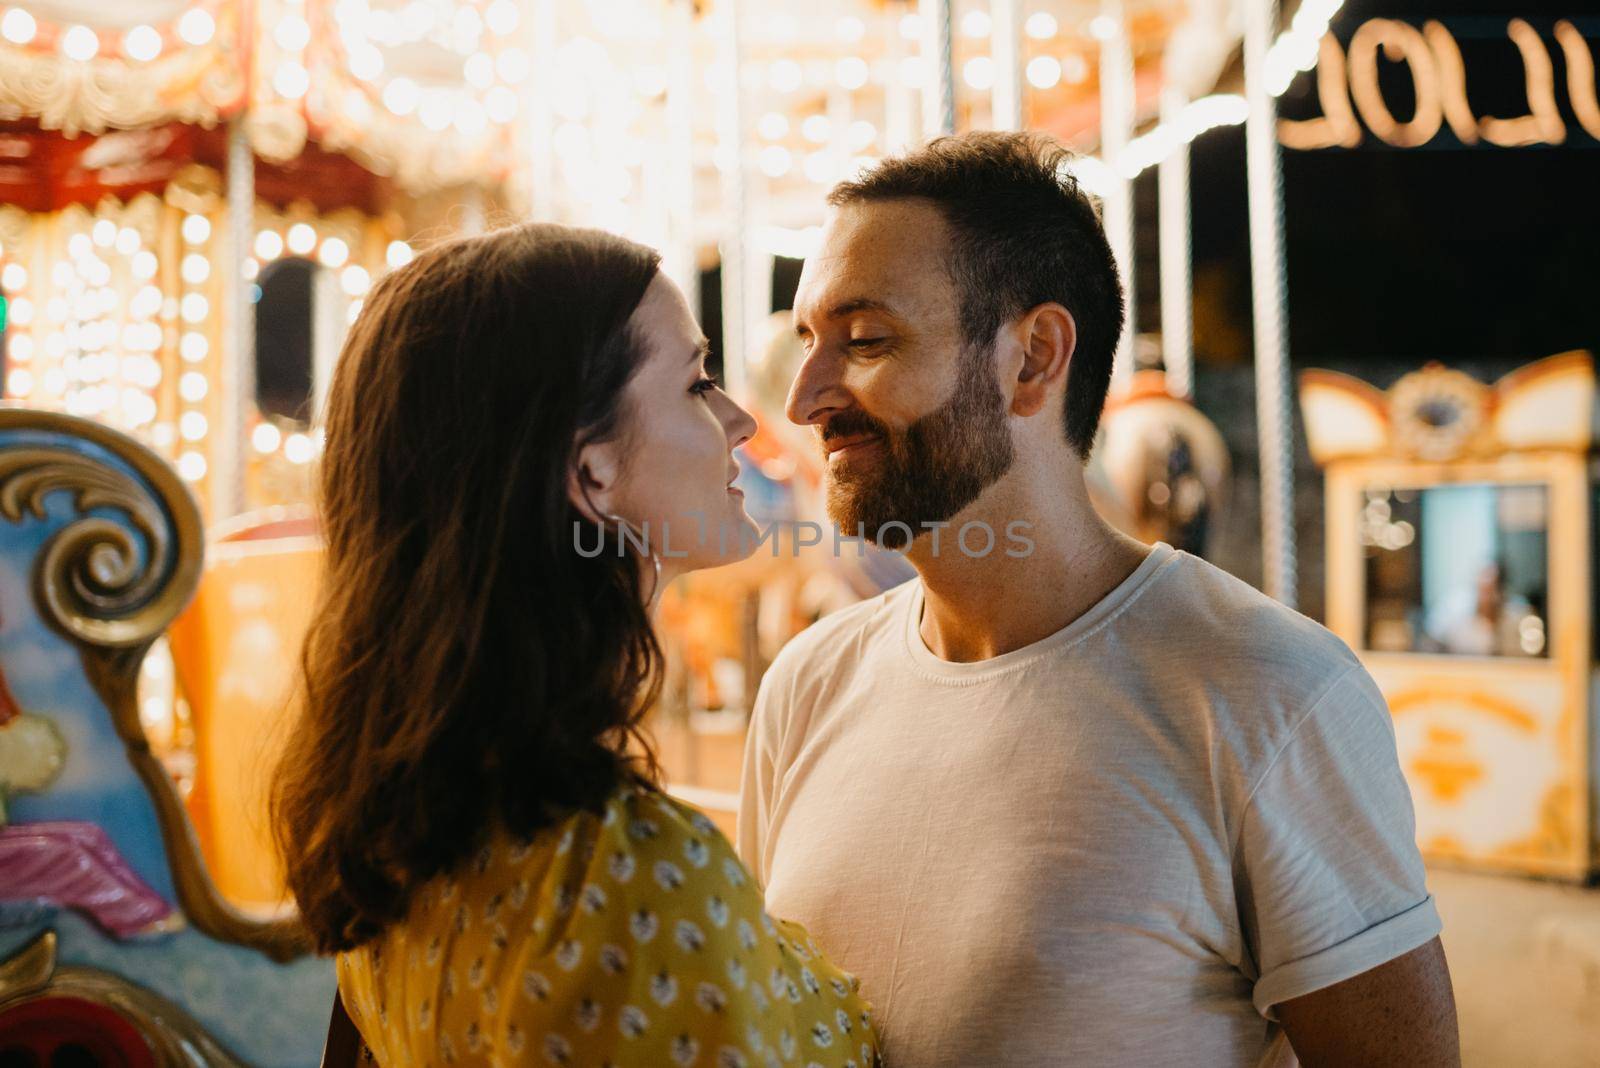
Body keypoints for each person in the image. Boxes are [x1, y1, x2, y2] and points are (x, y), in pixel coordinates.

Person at [738, 133, 1459, 1067]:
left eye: (867, 341)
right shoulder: (807, 686)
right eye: (808, 342)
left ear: (1034, 358)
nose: (803, 399)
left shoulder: (1269, 692)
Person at [272, 224, 881, 1068]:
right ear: (591, 472)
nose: (741, 420)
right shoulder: (629, 877)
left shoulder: (408, 824)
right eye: (697, 384)